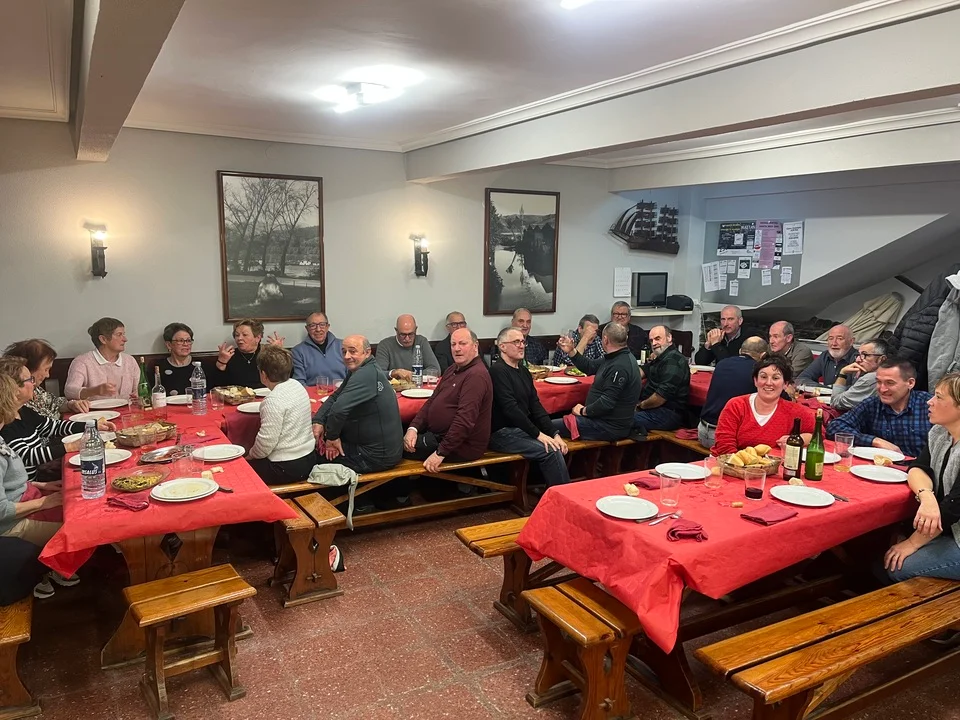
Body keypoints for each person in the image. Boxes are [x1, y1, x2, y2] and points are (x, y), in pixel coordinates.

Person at [880, 371, 960, 582]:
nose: (929, 402)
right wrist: (927, 496)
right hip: (948, 529)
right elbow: (917, 468)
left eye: (939, 397)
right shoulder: (940, 433)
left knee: (899, 566)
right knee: (882, 550)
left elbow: (954, 507)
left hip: (955, 533)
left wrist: (913, 543)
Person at [0, 374, 71, 598]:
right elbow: (1, 510)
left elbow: (8, 483)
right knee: (75, 525)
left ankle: (51, 568)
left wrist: (42, 484)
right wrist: (44, 501)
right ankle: (42, 570)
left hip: (25, 499)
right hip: (10, 525)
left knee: (74, 502)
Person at [0, 357, 115, 481]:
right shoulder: (5, 422)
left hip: (34, 482)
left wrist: (92, 425)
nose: (34, 383)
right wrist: (69, 447)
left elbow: (54, 427)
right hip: (26, 487)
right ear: (14, 388)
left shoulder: (23, 412)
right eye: (30, 379)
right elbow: (27, 456)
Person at [489, 328, 570, 488]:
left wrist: (554, 433)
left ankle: (547, 489)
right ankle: (562, 498)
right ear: (502, 346)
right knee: (551, 451)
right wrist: (539, 434)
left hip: (520, 430)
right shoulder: (497, 371)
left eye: (522, 342)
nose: (521, 346)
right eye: (516, 342)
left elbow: (536, 406)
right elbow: (511, 410)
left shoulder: (524, 371)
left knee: (558, 444)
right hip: (501, 433)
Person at [404, 328, 492, 472]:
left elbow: (464, 421)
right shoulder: (453, 369)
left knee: (393, 449)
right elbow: (431, 402)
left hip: (461, 447)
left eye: (462, 344)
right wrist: (413, 428)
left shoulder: (476, 376)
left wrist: (440, 453)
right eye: (453, 344)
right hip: (440, 437)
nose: (457, 349)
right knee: (402, 436)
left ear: (475, 346)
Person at [312, 335, 403, 473]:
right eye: (344, 352)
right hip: (378, 449)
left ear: (367, 352)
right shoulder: (362, 369)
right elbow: (336, 397)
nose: (347, 356)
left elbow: (338, 410)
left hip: (376, 456)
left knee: (312, 455)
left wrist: (332, 438)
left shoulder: (365, 374)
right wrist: (319, 420)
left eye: (352, 351)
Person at [713, 354, 817, 456]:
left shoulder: (794, 411)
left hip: (773, 465)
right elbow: (724, 446)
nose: (768, 383)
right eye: (763, 377)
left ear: (785, 384)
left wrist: (798, 439)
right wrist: (747, 464)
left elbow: (817, 436)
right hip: (731, 463)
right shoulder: (736, 405)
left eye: (775, 378)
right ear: (755, 381)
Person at [827, 357, 932, 458]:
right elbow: (835, 427)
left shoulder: (929, 405)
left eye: (890, 383)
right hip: (878, 466)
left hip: (920, 468)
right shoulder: (872, 404)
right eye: (878, 382)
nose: (882, 389)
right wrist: (875, 441)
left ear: (910, 383)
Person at [553, 323, 642, 441]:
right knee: (548, 422)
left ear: (605, 339)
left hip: (608, 427)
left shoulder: (620, 365)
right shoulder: (617, 357)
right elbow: (590, 366)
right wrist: (571, 351)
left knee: (547, 427)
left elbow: (606, 403)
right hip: (601, 420)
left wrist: (583, 411)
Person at [247, 346, 318, 486]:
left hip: (285, 467)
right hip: (309, 458)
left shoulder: (273, 401)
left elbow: (265, 444)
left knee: (241, 470)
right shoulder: (297, 385)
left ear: (263, 374)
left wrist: (250, 455)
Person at [698, 337, 768, 449]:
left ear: (740, 351)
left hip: (702, 431)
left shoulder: (722, 363)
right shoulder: (758, 372)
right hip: (725, 438)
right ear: (763, 356)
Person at [4, 339, 89, 419]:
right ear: (27, 369)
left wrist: (71, 404)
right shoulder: (18, 402)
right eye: (46, 369)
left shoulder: (37, 391)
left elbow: (55, 402)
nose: (47, 375)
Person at [64, 317, 140, 400]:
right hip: (95, 408)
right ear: (103, 339)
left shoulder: (130, 361)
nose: (125, 339)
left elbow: (139, 388)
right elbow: (69, 391)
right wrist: (94, 391)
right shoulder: (82, 362)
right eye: (119, 335)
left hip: (127, 407)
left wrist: (138, 394)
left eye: (123, 334)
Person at [634, 326, 689, 433]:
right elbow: (641, 372)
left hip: (667, 413)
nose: (654, 343)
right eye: (651, 341)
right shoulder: (662, 357)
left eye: (657, 339)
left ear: (669, 338)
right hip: (654, 408)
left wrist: (640, 406)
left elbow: (660, 397)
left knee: (620, 420)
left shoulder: (673, 360)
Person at [831, 338, 890, 411]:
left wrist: (842, 373)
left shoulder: (871, 378)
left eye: (865, 355)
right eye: (858, 355)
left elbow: (835, 402)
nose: (858, 360)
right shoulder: (888, 374)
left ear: (882, 359)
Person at [376, 314, 441, 381]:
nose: (407, 338)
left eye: (411, 334)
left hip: (418, 386)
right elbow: (378, 373)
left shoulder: (421, 342)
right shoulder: (385, 345)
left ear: (416, 330)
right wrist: (393, 373)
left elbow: (435, 370)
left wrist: (412, 375)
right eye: (403, 334)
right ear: (396, 330)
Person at [291, 311, 346, 385]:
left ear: (327, 327)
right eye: (313, 325)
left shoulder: (343, 346)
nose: (318, 329)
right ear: (307, 328)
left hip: (342, 391)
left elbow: (352, 376)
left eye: (322, 325)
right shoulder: (298, 351)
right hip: (313, 392)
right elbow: (299, 383)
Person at [213, 319, 268, 389]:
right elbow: (217, 385)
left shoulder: (266, 353)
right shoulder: (230, 355)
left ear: (257, 338)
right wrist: (221, 362)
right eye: (237, 335)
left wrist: (277, 354)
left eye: (245, 335)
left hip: (264, 394)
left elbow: (277, 380)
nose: (239, 338)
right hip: (236, 395)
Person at [156, 323, 196, 396]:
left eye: (188, 340)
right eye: (181, 341)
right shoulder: (158, 367)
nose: (186, 344)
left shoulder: (201, 366)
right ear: (169, 345)